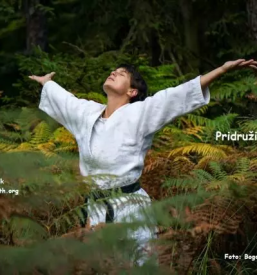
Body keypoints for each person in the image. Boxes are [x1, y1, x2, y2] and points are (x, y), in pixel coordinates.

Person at [29, 59, 257, 266]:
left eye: (120, 73)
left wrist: (222, 70)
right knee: (98, 267)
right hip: (96, 207)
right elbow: (66, 101)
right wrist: (47, 83)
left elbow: (176, 96)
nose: (113, 72)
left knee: (135, 266)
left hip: (129, 208)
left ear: (132, 91)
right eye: (113, 70)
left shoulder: (140, 113)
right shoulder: (87, 114)